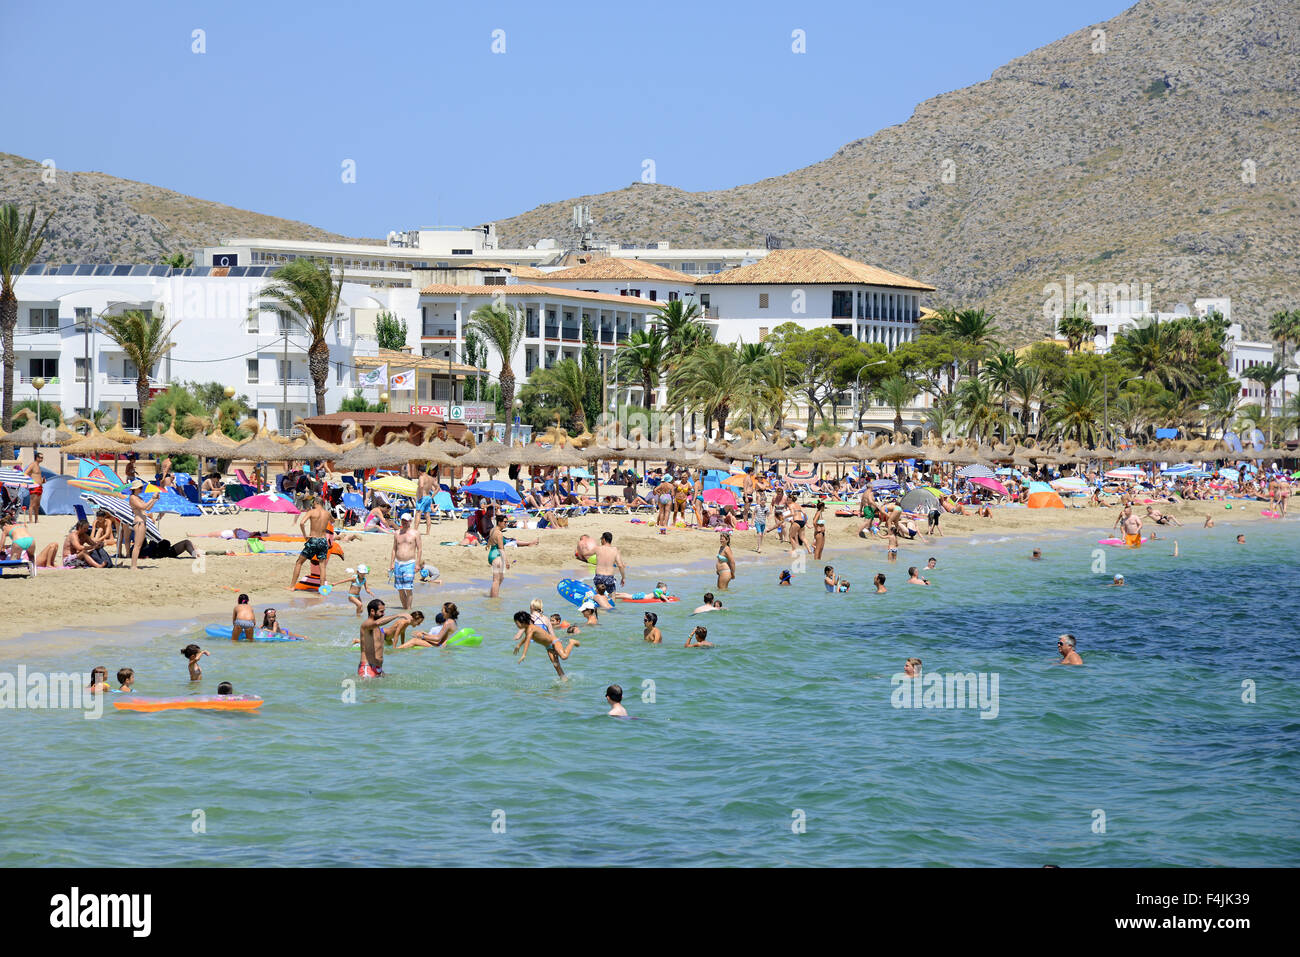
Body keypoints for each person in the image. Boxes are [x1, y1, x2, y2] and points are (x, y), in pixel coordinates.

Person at [512, 610, 579, 677]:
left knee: (564, 656)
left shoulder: (531, 628)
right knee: (556, 666)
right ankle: (564, 681)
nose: (516, 625)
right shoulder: (527, 630)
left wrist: (524, 654)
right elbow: (526, 637)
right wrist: (518, 645)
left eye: (517, 623)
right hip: (548, 647)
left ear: (523, 622)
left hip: (554, 641)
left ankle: (571, 642)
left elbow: (527, 641)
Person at [289, 494, 334, 590]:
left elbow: (301, 523)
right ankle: (322, 588)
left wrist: (305, 535)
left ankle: (292, 586)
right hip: (323, 540)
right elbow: (333, 521)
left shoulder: (311, 512)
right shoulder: (327, 513)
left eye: (313, 502)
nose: (312, 504)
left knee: (299, 562)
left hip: (313, 539)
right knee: (322, 566)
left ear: (317, 502)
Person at [358, 598, 407, 677]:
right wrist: (398, 615)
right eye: (381, 611)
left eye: (384, 611)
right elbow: (377, 623)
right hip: (367, 668)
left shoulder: (379, 630)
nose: (384, 614)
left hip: (378, 669)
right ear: (372, 611)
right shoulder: (366, 625)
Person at [390, 512, 422, 610]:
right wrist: (391, 563)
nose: (404, 523)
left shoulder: (415, 533)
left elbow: (419, 549)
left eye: (406, 521)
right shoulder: (397, 533)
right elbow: (394, 549)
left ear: (410, 521)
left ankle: (408, 609)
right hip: (398, 563)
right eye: (402, 520)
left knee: (408, 588)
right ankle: (404, 608)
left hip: (409, 563)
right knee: (400, 589)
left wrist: (417, 564)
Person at [127, 479, 157, 570]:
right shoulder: (132, 497)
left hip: (142, 521)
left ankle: (134, 565)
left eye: (141, 487)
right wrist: (152, 498)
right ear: (135, 488)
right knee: (137, 545)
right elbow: (142, 507)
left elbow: (147, 508)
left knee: (139, 545)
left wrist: (154, 500)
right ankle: (133, 566)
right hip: (139, 522)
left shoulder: (139, 498)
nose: (141, 489)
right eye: (140, 488)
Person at [592, 531, 627, 595]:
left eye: (601, 539)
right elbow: (620, 565)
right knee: (612, 595)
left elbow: (585, 554)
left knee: (599, 596)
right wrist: (623, 578)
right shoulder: (615, 550)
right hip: (609, 577)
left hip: (599, 576)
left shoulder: (597, 548)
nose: (601, 541)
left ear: (604, 539)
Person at [24, 452, 44, 523]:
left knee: (37, 504)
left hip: (40, 487)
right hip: (34, 486)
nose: (42, 459)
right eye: (40, 457)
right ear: (36, 458)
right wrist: (31, 481)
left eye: (42, 457)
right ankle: (30, 520)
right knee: (32, 504)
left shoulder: (38, 466)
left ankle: (36, 519)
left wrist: (42, 480)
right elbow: (25, 473)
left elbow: (37, 476)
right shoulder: (32, 465)